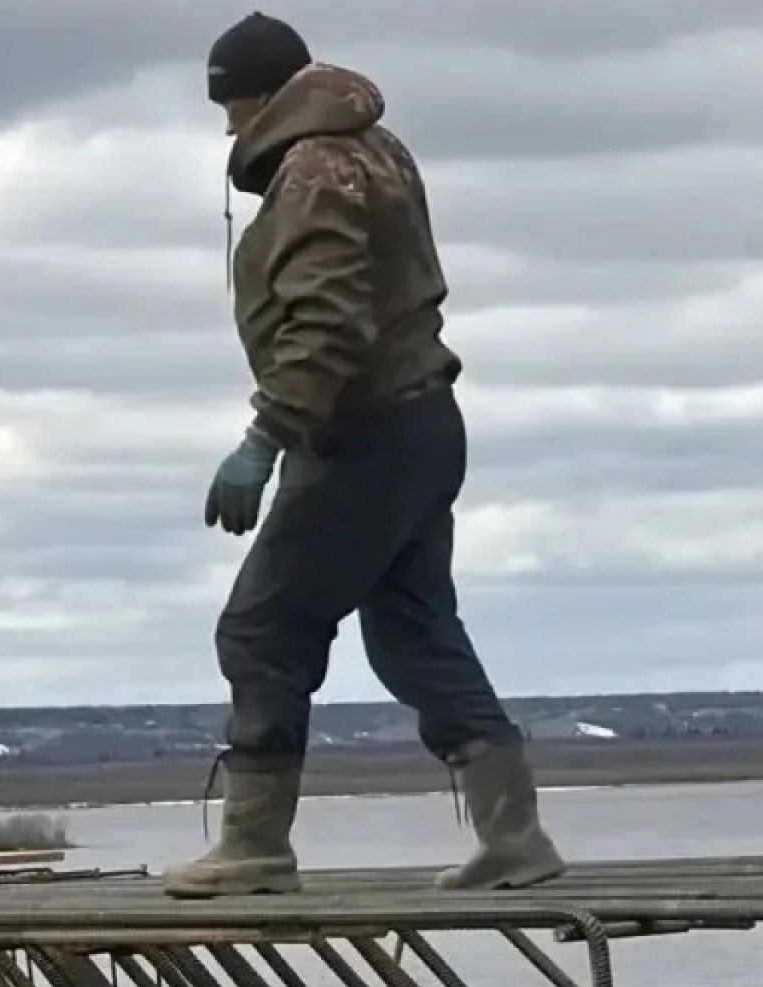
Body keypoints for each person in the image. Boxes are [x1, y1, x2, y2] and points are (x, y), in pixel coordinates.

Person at [168, 12, 566, 899]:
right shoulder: (378, 148)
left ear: (259, 98)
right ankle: (515, 836)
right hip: (425, 422)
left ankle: (255, 845)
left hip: (364, 433)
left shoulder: (316, 169)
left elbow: (329, 320)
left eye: (231, 109)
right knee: (414, 630)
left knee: (264, 628)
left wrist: (265, 437)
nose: (229, 131)